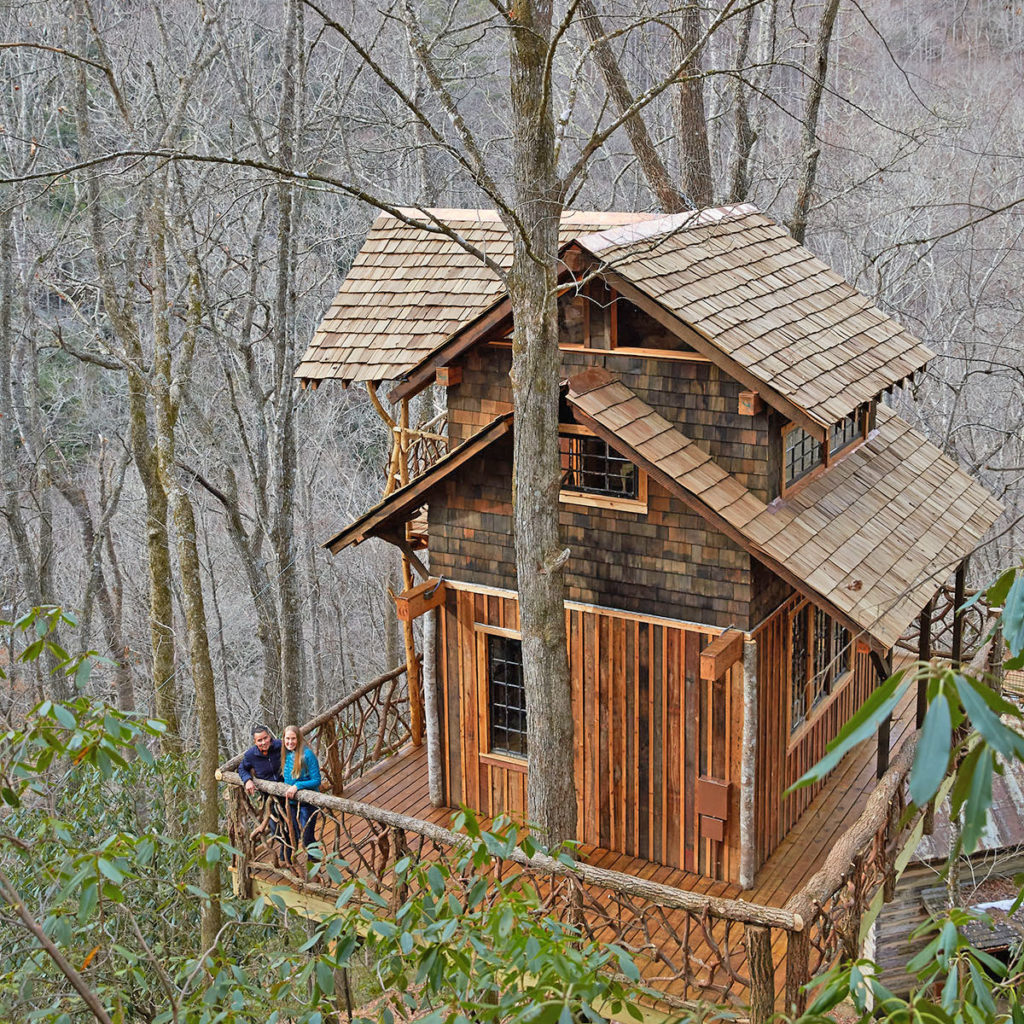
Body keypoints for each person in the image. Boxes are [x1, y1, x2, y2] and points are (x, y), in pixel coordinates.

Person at [238, 725, 286, 858]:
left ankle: (289, 850)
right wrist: (248, 780)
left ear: (270, 737)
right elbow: (242, 769)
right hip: (269, 795)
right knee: (275, 821)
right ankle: (283, 853)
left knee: (291, 819)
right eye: (259, 740)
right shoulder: (251, 755)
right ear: (255, 742)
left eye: (265, 738)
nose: (263, 742)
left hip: (285, 787)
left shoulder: (279, 745)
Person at [282, 723, 321, 856]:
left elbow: (317, 780)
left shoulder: (307, 755)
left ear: (298, 739)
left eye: (293, 738)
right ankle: (290, 863)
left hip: (308, 803)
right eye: (287, 739)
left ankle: (314, 865)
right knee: (293, 834)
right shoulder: (286, 754)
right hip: (292, 803)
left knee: (307, 837)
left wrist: (298, 786)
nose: (290, 742)